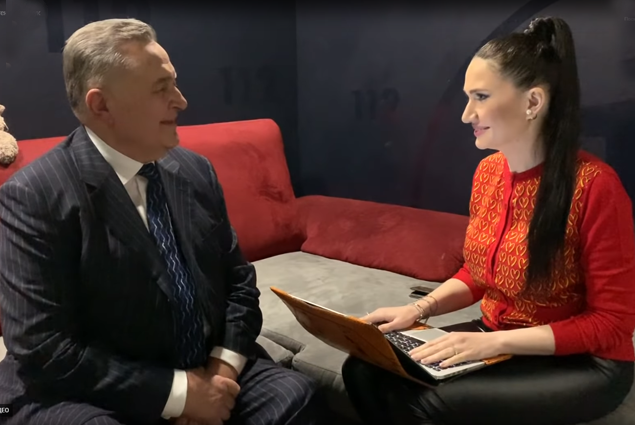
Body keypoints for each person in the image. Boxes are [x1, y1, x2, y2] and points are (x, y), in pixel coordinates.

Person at [0, 18, 321, 425]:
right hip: (93, 388)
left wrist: (219, 375)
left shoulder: (195, 171)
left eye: (175, 83)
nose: (181, 101)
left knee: (295, 396)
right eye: (160, 88)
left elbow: (239, 283)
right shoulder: (34, 195)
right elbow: (43, 347)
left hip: (202, 364)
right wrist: (180, 396)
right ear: (101, 105)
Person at [342, 16, 635, 425]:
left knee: (433, 403)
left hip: (584, 362)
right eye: (468, 97)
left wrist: (492, 344)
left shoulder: (595, 187)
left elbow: (612, 323)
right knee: (363, 368)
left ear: (533, 102)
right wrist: (418, 310)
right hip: (497, 335)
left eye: (480, 97)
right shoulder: (488, 173)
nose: (467, 114)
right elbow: (479, 274)